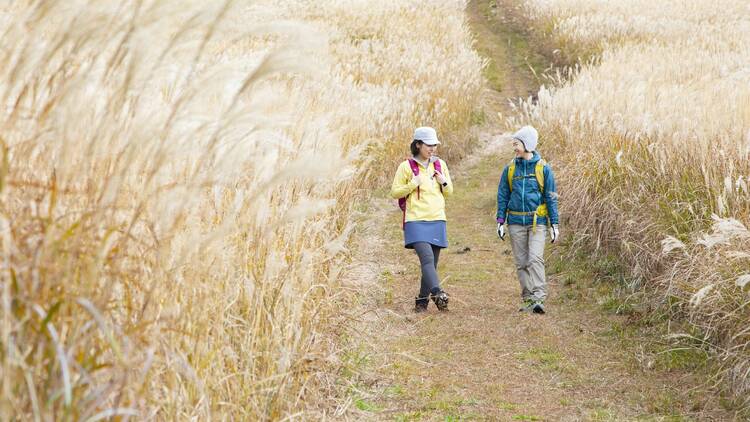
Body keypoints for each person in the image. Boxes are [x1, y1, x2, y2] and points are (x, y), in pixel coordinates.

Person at [496, 125, 559, 314]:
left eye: (517, 143)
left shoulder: (543, 169)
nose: (514, 147)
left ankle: (539, 298)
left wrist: (554, 223)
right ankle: (528, 298)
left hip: (537, 223)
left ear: (527, 144)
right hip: (515, 222)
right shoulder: (510, 169)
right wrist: (500, 220)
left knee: (535, 258)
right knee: (521, 262)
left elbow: (551, 197)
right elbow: (502, 195)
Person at [390, 126, 454, 312]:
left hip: (437, 219)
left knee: (431, 265)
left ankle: (421, 302)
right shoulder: (405, 167)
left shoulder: (440, 165)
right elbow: (395, 191)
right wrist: (412, 184)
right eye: (429, 145)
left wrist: (443, 181)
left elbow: (449, 192)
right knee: (426, 260)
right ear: (418, 145)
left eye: (434, 145)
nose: (432, 148)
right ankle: (438, 293)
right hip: (415, 220)